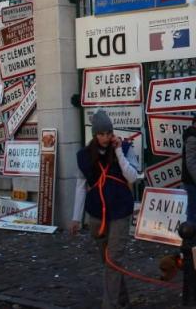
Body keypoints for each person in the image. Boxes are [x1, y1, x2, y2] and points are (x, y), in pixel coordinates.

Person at [70, 110, 139, 309]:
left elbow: (132, 177)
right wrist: (76, 217)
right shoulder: (84, 156)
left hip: (120, 211)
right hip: (97, 213)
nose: (106, 137)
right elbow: (80, 186)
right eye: (101, 134)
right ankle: (123, 300)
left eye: (109, 133)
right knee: (108, 261)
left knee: (114, 259)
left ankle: (109, 305)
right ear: (95, 134)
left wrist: (118, 152)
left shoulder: (124, 148)